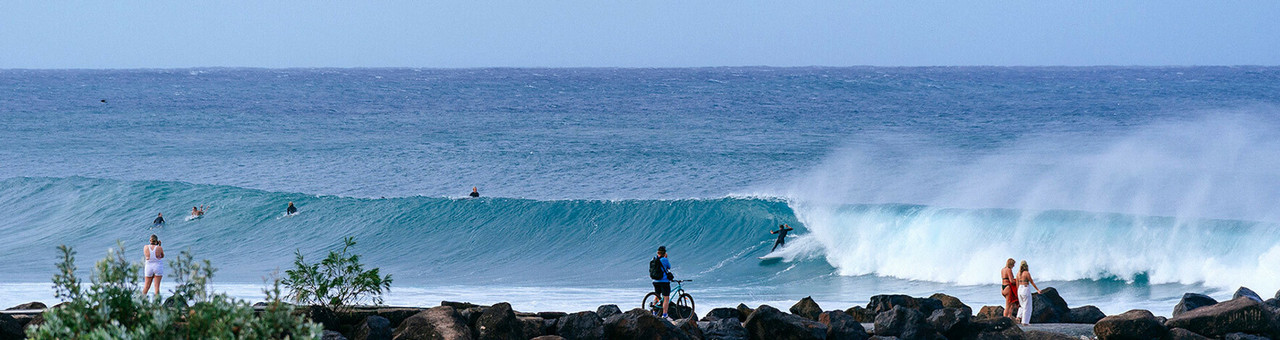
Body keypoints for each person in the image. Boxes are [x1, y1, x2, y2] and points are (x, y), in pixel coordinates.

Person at [1015, 260, 1042, 325]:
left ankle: (1018, 316)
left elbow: (1017, 283)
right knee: (1027, 306)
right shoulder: (1026, 273)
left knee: (1022, 305)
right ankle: (1025, 322)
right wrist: (1037, 290)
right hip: (1025, 288)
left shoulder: (1018, 273)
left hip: (1019, 289)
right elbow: (1032, 282)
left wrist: (1017, 291)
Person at [652, 246, 674, 319]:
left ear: (657, 253)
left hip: (655, 281)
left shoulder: (654, 259)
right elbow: (669, 267)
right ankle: (665, 315)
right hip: (664, 281)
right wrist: (666, 258)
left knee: (657, 295)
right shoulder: (664, 260)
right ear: (664, 253)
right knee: (666, 298)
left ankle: (654, 312)